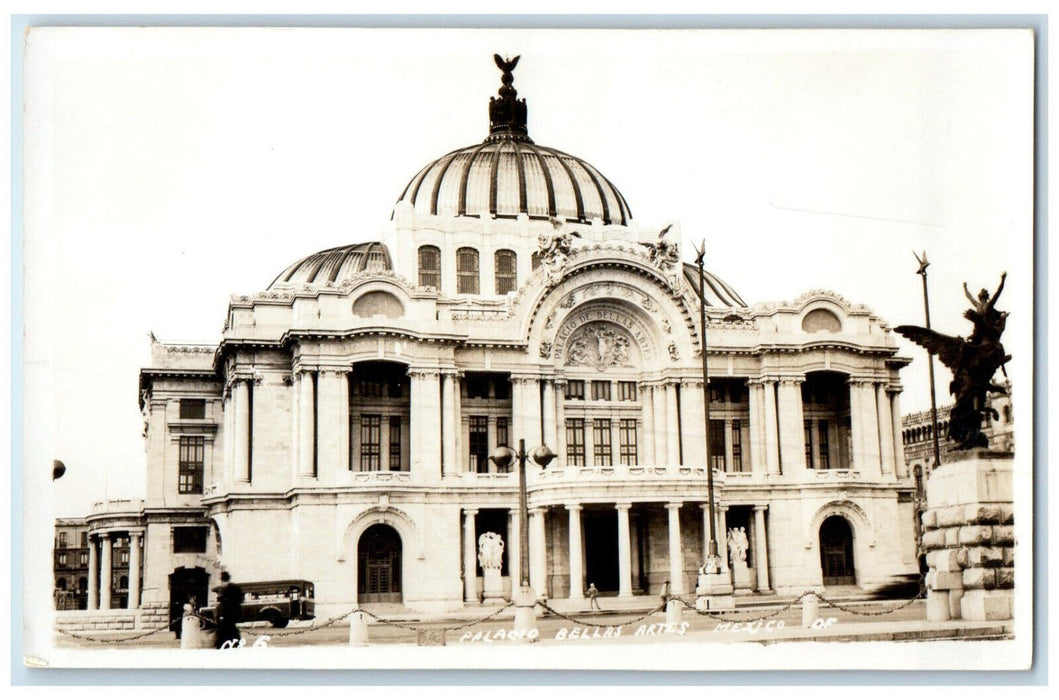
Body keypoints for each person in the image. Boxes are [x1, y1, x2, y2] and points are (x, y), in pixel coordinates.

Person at [213, 571, 244, 649]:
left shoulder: (224, 588)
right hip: (235, 612)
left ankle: (222, 645)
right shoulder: (236, 587)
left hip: (226, 613)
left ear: (222, 579)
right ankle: (236, 643)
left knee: (224, 629)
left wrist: (221, 614)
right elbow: (241, 599)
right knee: (231, 628)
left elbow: (222, 602)